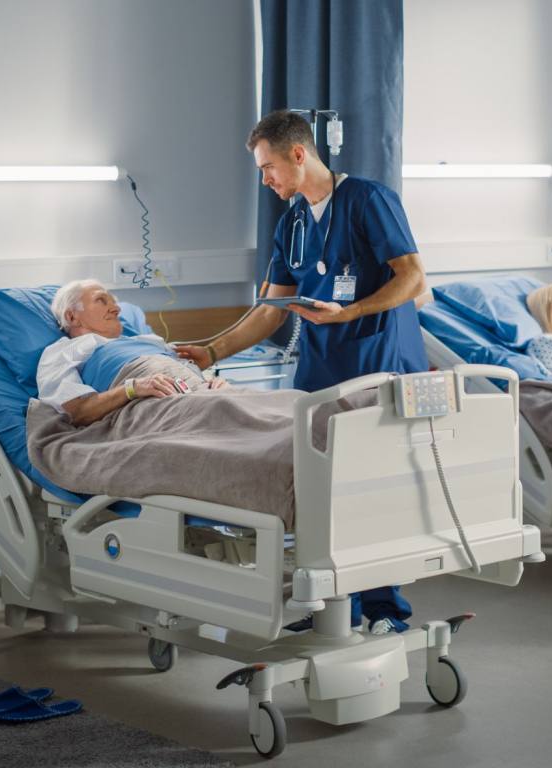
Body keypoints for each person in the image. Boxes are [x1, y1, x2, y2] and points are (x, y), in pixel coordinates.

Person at [176, 110, 429, 635]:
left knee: (372, 491)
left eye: (268, 167)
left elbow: (412, 279)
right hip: (320, 371)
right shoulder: (291, 224)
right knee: (322, 492)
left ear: (298, 154)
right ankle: (337, 607)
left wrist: (352, 312)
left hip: (377, 361)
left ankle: (385, 611)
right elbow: (271, 310)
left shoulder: (368, 200)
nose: (264, 179)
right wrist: (211, 350)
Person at [38, 279, 227, 426]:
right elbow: (77, 413)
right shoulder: (64, 351)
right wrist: (132, 388)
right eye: (101, 300)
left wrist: (211, 382)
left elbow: (186, 375)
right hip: (158, 404)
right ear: (72, 316)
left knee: (244, 407)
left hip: (204, 395)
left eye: (114, 302)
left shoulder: (149, 341)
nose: (116, 308)